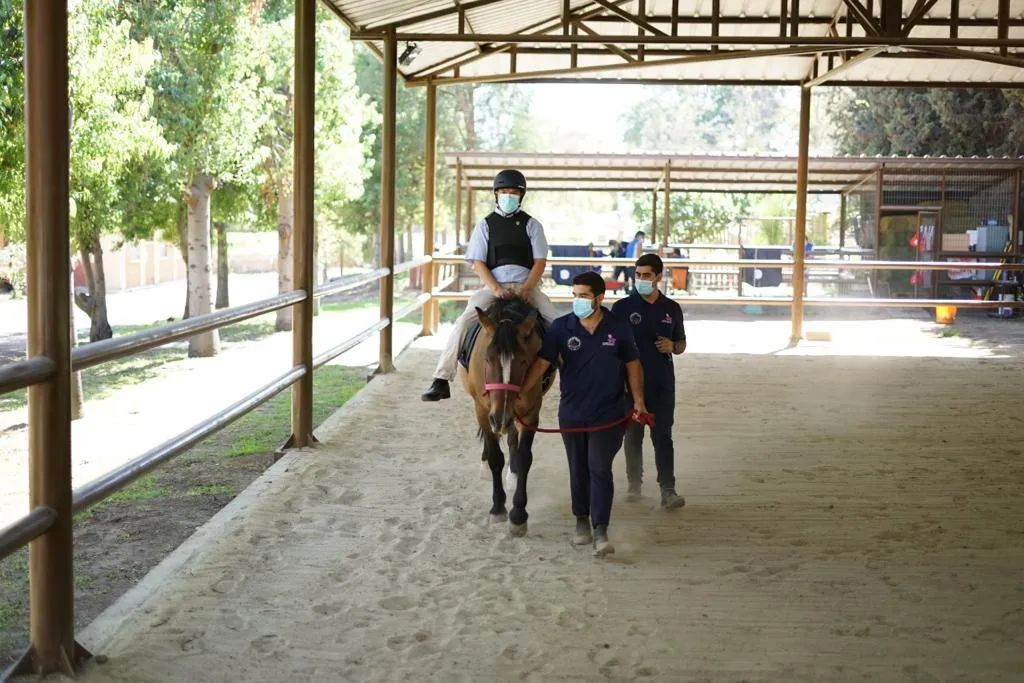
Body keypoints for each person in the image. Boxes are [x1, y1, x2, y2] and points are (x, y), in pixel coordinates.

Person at [521, 271, 646, 557]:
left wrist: (638, 400)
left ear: (600, 298)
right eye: (575, 295)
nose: (578, 301)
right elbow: (542, 365)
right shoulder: (561, 328)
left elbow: (633, 364)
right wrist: (522, 393)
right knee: (578, 468)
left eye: (584, 296)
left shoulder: (619, 327)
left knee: (599, 467)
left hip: (610, 412)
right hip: (573, 412)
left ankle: (600, 528)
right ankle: (581, 522)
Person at [422, 169, 557, 401]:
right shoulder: (485, 225)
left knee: (557, 323)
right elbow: (478, 262)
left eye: (513, 192)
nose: (508, 195)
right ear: (496, 194)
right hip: (494, 287)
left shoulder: (532, 225)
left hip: (526, 286)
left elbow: (540, 262)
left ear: (521, 195)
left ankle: (572, 377)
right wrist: (495, 289)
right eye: (504, 191)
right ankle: (442, 378)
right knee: (464, 321)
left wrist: (526, 288)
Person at [611, 254, 686, 510]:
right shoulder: (621, 308)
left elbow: (682, 344)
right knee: (632, 436)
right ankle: (634, 486)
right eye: (638, 274)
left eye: (646, 275)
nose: (641, 279)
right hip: (629, 385)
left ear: (658, 277)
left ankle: (668, 490)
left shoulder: (672, 308)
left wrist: (672, 345)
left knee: (663, 436)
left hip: (662, 382)